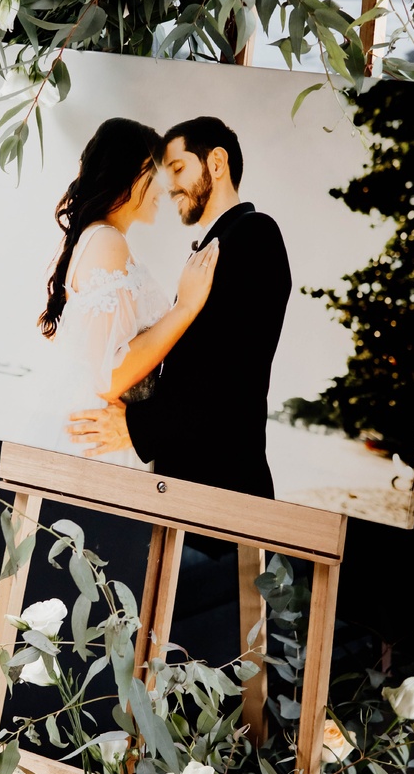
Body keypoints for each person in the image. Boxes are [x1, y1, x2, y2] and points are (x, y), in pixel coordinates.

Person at [67, 116, 291, 498]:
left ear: (216, 163)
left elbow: (232, 374)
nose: (168, 185)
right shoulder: (217, 244)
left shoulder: (255, 234)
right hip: (184, 478)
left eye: (177, 168)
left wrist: (137, 428)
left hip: (222, 480)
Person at [30, 117, 218, 469]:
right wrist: (186, 307)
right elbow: (108, 376)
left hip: (106, 433)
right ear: (126, 174)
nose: (165, 188)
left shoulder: (103, 239)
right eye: (156, 173)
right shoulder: (106, 241)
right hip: (102, 442)